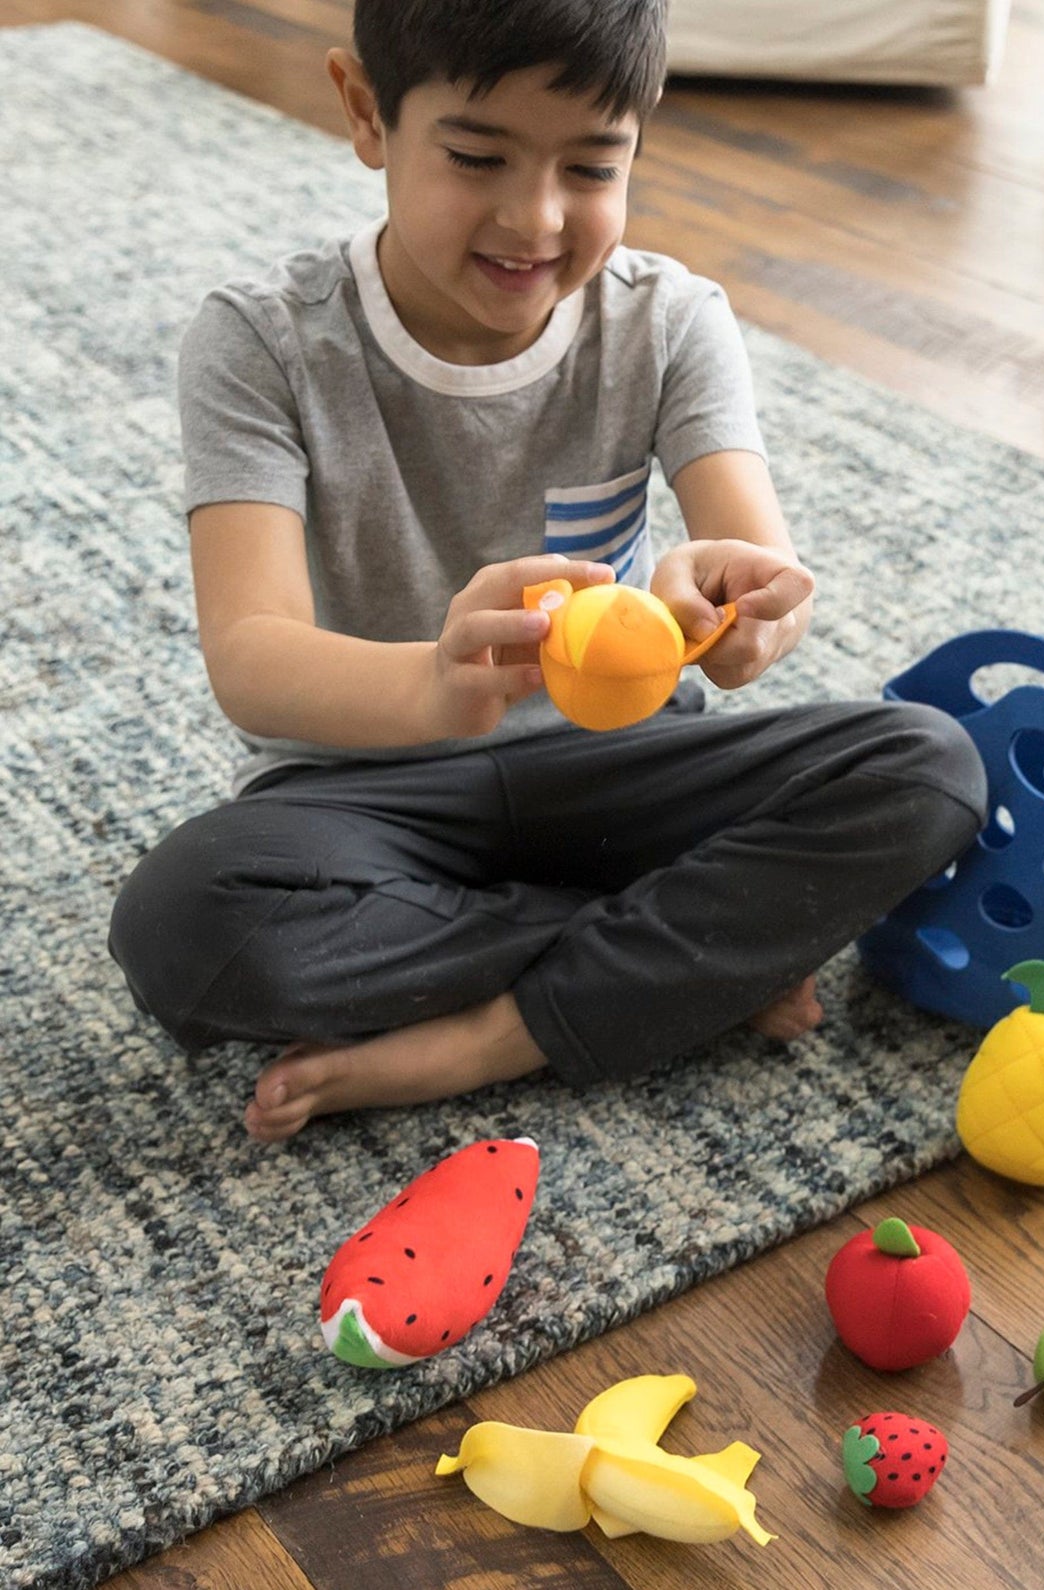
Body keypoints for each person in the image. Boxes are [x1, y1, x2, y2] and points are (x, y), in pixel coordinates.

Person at [108, 0, 986, 1143]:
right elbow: (252, 657)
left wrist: (729, 615)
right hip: (368, 787)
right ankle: (681, 963)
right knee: (185, 925)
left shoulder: (670, 323)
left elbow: (761, 589)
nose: (536, 217)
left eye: (592, 166)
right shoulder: (261, 343)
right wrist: (435, 683)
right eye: (477, 156)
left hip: (625, 768)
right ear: (367, 113)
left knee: (928, 767)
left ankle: (490, 1034)